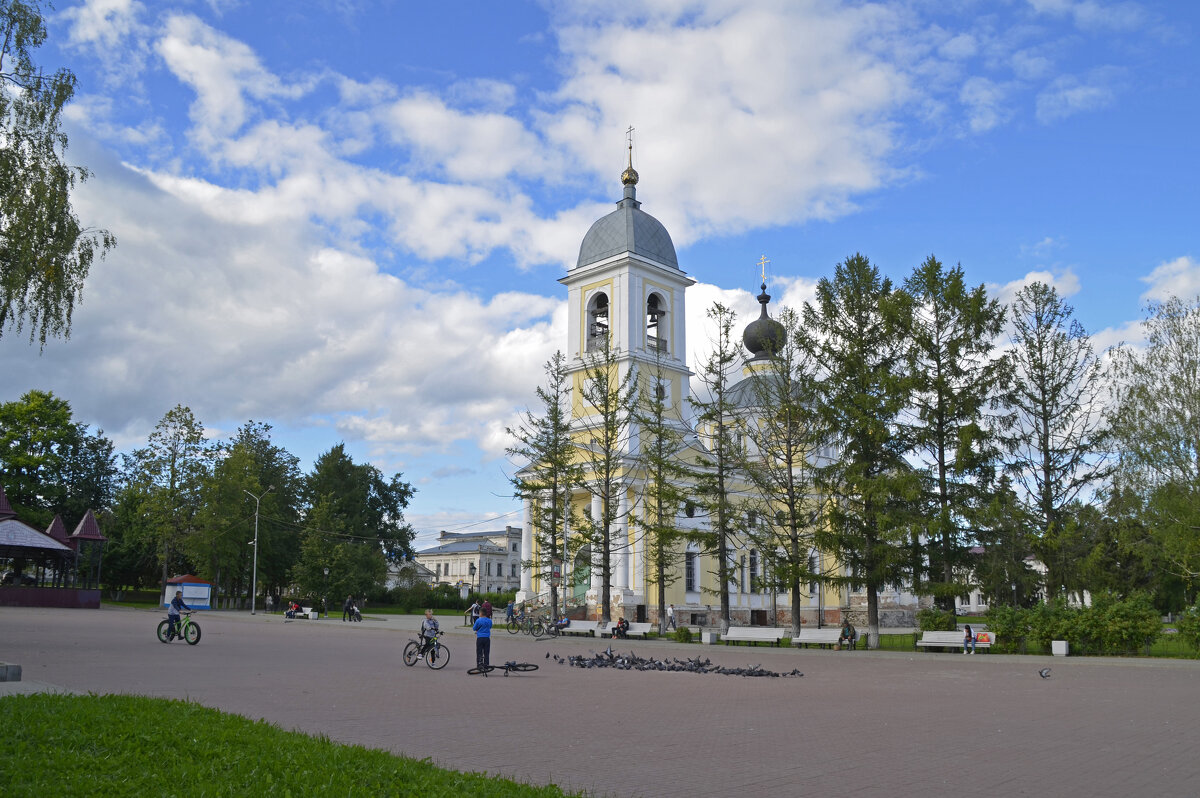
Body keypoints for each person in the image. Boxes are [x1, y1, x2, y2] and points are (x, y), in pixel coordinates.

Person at [473, 601, 493, 674]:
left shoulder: (478, 620)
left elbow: (474, 628)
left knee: (479, 652)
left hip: (480, 638)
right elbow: (490, 627)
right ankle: (486, 665)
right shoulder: (489, 620)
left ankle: (479, 665)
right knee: (486, 652)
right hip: (487, 638)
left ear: (480, 613)